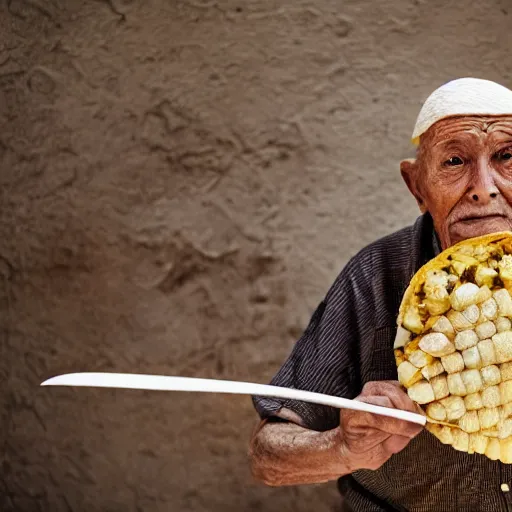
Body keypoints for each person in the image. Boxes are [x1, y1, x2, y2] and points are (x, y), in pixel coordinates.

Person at [248, 77, 512, 511]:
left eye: (507, 156)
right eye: (454, 161)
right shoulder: (375, 276)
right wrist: (344, 448)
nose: (483, 186)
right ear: (417, 187)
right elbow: (267, 455)